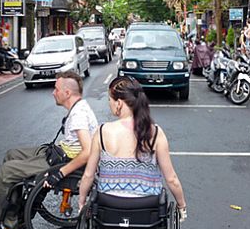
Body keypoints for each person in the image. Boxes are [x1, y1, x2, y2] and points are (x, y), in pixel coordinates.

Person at [0, 71, 98, 229]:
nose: (53, 93)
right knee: (11, 154)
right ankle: (17, 213)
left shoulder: (79, 115)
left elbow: (88, 152)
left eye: (56, 89)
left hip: (62, 162)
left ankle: (7, 227)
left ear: (67, 93)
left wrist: (59, 174)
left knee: (4, 173)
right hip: (58, 153)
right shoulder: (79, 107)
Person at [78, 76, 187, 219]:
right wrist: (181, 206)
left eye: (109, 100)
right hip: (147, 213)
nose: (109, 104)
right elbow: (171, 179)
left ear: (119, 103)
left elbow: (88, 175)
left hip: (108, 212)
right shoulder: (155, 133)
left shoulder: (102, 131)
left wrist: (81, 202)